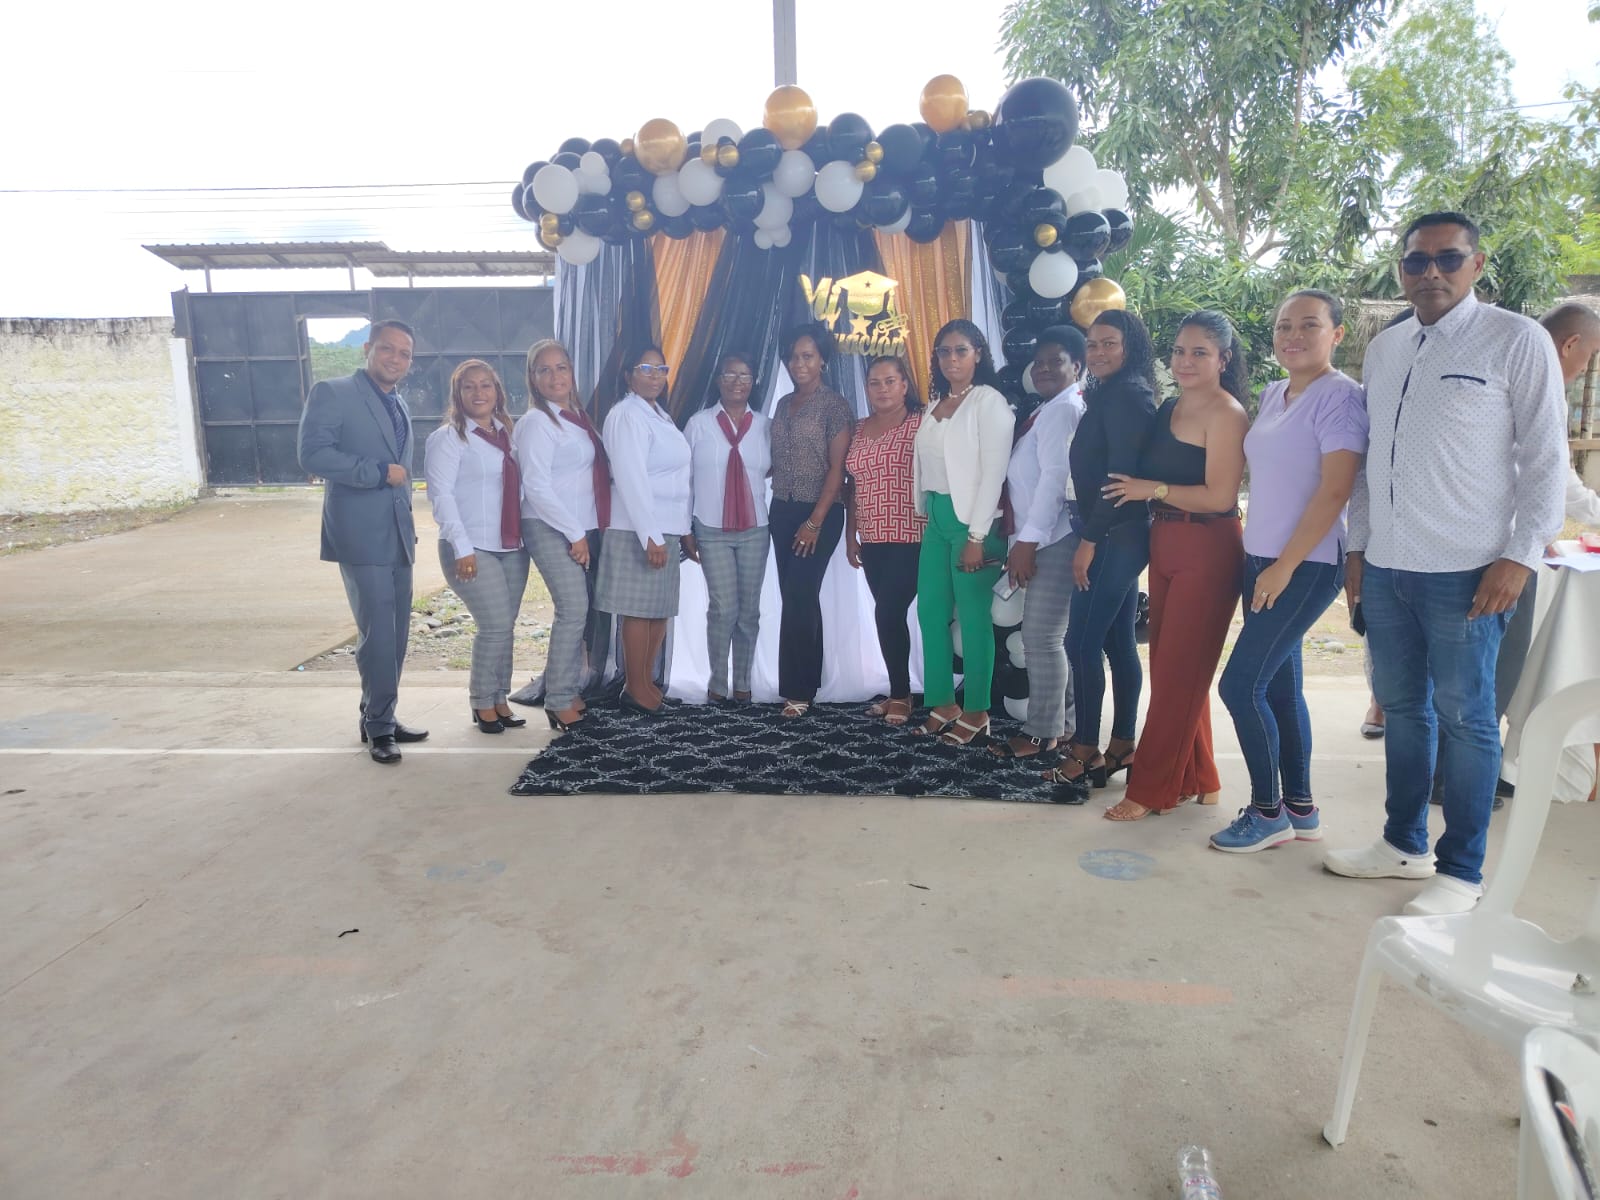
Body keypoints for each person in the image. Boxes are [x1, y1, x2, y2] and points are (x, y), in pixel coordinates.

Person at [1324, 211, 1567, 915]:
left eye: (1448, 258)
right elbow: (1370, 460)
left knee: (1467, 719)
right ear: (1400, 270)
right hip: (1389, 567)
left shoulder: (1515, 339)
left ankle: (1462, 873)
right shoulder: (1387, 348)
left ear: (1476, 264)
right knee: (1403, 710)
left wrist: (1519, 557)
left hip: (1470, 569)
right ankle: (1402, 843)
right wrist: (1359, 548)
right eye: (1416, 261)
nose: (1430, 272)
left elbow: (1546, 458)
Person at [1209, 291, 1369, 851]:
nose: (1292, 336)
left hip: (1305, 564)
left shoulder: (1341, 397)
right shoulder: (1274, 393)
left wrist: (1284, 566)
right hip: (1261, 558)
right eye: (1283, 326)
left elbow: (1335, 490)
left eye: (1308, 325)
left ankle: (1266, 812)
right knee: (1279, 686)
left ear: (1337, 334)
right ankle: (1300, 807)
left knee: (1239, 685)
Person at [1099, 310, 1249, 820]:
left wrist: (1153, 489)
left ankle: (1150, 789)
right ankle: (1200, 778)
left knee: (1180, 672)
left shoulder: (1227, 414)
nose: (1185, 361)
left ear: (1223, 359)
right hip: (1165, 541)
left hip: (1207, 546)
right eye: (1180, 351)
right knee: (1171, 669)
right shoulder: (1169, 405)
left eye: (1199, 352)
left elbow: (1221, 496)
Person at [296, 319, 428, 765]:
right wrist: (375, 472)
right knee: (378, 635)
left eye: (405, 353)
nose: (396, 359)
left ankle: (379, 713)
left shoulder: (398, 402)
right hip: (360, 534)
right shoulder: (332, 393)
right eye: (388, 349)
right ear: (367, 348)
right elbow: (312, 454)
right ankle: (379, 727)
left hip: (398, 533)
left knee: (398, 632)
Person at [1044, 311, 1159, 800]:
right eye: (1092, 344)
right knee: (1116, 643)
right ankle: (1123, 746)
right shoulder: (1112, 393)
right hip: (1117, 534)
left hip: (1114, 536)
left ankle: (1086, 749)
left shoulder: (1128, 396)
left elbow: (1119, 480)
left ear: (1130, 346)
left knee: (1080, 644)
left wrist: (1088, 542)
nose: (1098, 352)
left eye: (1109, 343)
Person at [912, 319, 1014, 745]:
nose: (951, 358)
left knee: (973, 618)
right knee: (930, 612)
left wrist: (976, 537)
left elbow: (994, 473)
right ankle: (942, 702)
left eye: (961, 350)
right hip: (937, 515)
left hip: (974, 521)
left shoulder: (988, 402)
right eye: (944, 351)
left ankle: (977, 710)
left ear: (978, 354)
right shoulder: (937, 402)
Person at [991, 326, 1088, 762]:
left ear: (1077, 367)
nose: (1044, 368)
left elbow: (1054, 480)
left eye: (1056, 361)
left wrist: (1027, 542)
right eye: (1040, 362)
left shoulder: (1063, 410)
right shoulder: (1050, 408)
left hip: (1052, 538)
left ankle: (1041, 733)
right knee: (1050, 638)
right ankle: (1064, 725)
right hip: (1042, 536)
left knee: (1041, 638)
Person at [424, 360, 531, 734]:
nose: (479, 392)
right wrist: (461, 547)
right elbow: (441, 496)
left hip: (511, 546)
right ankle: (481, 701)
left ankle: (500, 698)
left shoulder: (508, 434)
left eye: (486, 385)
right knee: (495, 624)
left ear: (497, 391)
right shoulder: (448, 438)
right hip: (470, 546)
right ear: (458, 394)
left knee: (507, 626)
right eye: (469, 386)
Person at [513, 339, 609, 730]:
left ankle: (568, 689)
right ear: (533, 379)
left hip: (579, 525)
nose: (555, 377)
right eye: (544, 370)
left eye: (561, 368)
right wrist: (575, 533)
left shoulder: (579, 418)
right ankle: (557, 698)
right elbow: (535, 486)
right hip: (548, 524)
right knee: (572, 607)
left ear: (572, 372)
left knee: (581, 610)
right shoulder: (537, 422)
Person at [595, 347, 693, 715]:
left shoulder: (658, 415)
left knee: (657, 610)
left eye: (661, 369)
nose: (655, 375)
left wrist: (679, 529)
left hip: (664, 528)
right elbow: (631, 478)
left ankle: (646, 683)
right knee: (638, 611)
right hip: (637, 529)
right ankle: (635, 688)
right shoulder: (626, 415)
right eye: (646, 368)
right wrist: (650, 535)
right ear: (628, 375)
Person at [768, 322, 854, 718]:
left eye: (807, 356)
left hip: (819, 511)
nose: (798, 363)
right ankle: (808, 682)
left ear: (823, 360)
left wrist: (815, 521)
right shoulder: (783, 404)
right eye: (793, 357)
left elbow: (838, 469)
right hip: (782, 510)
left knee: (800, 595)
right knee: (797, 597)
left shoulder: (834, 405)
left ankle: (797, 691)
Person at [684, 352, 772, 705]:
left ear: (753, 383)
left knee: (749, 611)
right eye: (730, 375)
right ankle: (718, 684)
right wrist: (686, 528)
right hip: (711, 527)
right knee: (723, 609)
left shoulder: (765, 426)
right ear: (718, 380)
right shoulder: (699, 424)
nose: (738, 382)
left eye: (745, 375)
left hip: (755, 529)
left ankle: (743, 684)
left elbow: (770, 470)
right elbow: (686, 478)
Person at [844, 355, 925, 725]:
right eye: (874, 383)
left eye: (890, 381)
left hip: (914, 535)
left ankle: (901, 695)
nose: (882, 389)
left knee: (888, 612)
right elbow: (852, 487)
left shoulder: (922, 422)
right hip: (872, 538)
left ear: (904, 384)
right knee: (888, 616)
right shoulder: (859, 428)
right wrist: (851, 535)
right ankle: (899, 690)